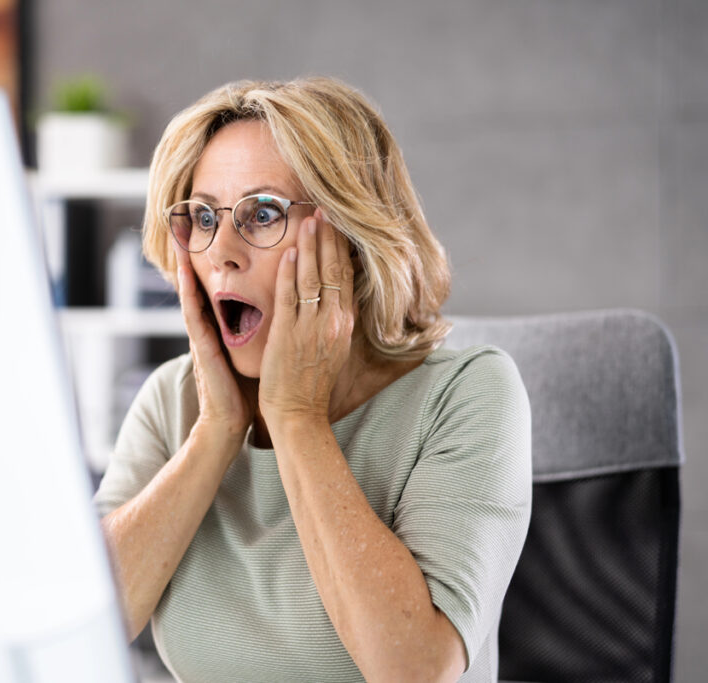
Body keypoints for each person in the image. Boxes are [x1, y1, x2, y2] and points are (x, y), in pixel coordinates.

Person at [94, 77, 531, 682]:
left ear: (351, 243)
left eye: (263, 213)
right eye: (202, 217)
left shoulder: (468, 395)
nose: (221, 250)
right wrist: (218, 428)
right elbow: (86, 627)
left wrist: (296, 417)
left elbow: (415, 672)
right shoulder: (171, 401)